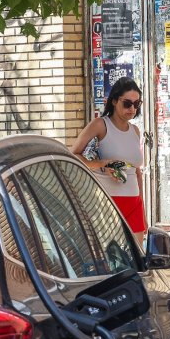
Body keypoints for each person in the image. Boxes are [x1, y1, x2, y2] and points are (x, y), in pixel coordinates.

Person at [70, 77, 146, 242]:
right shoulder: (100, 125)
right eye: (127, 103)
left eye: (136, 104)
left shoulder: (135, 130)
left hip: (134, 202)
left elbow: (136, 171)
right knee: (111, 259)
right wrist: (102, 164)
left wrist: (143, 209)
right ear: (114, 101)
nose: (132, 108)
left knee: (137, 259)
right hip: (107, 201)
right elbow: (73, 154)